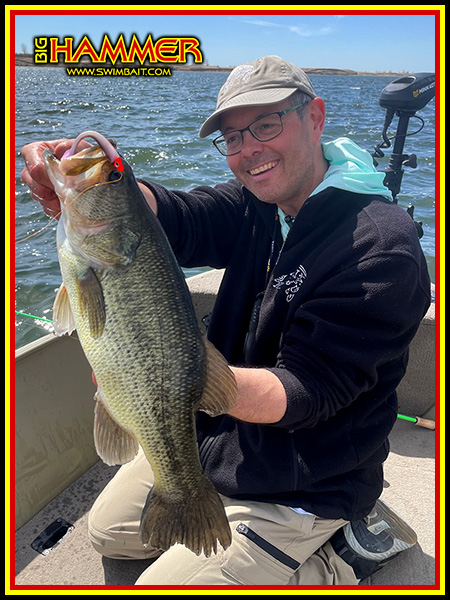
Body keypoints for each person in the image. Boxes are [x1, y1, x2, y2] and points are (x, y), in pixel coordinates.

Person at [21, 55, 430, 586]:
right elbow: (180, 217)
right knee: (107, 533)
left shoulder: (380, 248)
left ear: (315, 117)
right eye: (233, 137)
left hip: (311, 476)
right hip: (223, 438)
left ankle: (336, 555)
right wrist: (105, 180)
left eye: (266, 124)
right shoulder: (258, 201)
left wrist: (174, 378)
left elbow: (307, 391)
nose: (248, 149)